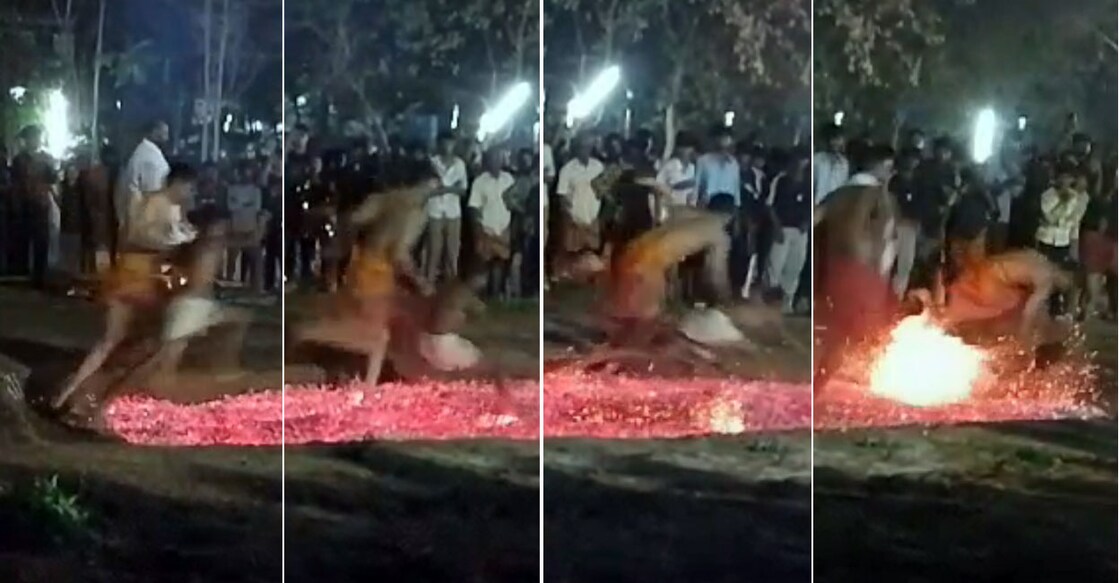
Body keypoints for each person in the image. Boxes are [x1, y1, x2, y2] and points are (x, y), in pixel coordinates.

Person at [54, 163, 200, 410]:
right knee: (139, 342)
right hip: (139, 279)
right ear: (179, 183)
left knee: (118, 342)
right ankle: (88, 396)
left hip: (138, 276)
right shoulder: (159, 205)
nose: (191, 194)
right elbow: (141, 236)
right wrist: (178, 242)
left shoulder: (161, 205)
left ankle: (72, 394)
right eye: (190, 188)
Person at [813, 145, 900, 390]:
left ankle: (821, 381)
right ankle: (836, 381)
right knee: (868, 328)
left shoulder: (838, 194)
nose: (891, 174)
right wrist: (878, 267)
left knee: (841, 329)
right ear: (879, 167)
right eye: (889, 168)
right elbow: (887, 235)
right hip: (865, 271)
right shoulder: (879, 195)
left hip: (837, 268)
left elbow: (814, 218)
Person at [765, 149, 811, 314]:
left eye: (804, 164)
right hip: (783, 230)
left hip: (800, 232)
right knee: (775, 266)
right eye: (798, 163)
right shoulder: (780, 180)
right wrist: (777, 227)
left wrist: (807, 223)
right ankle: (771, 302)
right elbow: (769, 205)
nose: (800, 167)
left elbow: (811, 206)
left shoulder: (808, 183)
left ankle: (787, 303)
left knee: (794, 267)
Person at [115, 120, 171, 249]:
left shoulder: (148, 153)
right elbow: (153, 192)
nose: (167, 138)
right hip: (146, 228)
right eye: (164, 133)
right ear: (154, 132)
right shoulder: (149, 158)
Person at [468, 148, 515, 298]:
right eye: (493, 159)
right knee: (483, 265)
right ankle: (481, 296)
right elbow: (474, 207)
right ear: (487, 161)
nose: (496, 162)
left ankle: (496, 295)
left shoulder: (509, 179)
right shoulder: (479, 182)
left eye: (498, 159)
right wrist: (478, 230)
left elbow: (515, 202)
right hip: (486, 228)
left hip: (504, 227)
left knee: (500, 263)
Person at [425, 132, 468, 283]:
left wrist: (445, 189)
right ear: (439, 144)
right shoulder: (432, 163)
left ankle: (450, 285)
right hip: (435, 211)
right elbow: (429, 190)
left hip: (453, 212)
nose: (447, 146)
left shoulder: (460, 164)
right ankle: (429, 283)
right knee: (434, 250)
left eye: (450, 143)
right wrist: (451, 188)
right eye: (444, 142)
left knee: (452, 251)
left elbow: (463, 190)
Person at [556, 134, 605, 254]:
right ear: (576, 148)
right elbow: (562, 196)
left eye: (588, 147)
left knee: (592, 256)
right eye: (582, 147)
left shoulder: (598, 166)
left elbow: (603, 191)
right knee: (573, 256)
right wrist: (569, 219)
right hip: (574, 222)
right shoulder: (567, 169)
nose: (585, 150)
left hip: (593, 220)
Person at [813, 124, 849, 205]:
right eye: (833, 139)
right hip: (818, 205)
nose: (835, 143)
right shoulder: (816, 160)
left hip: (836, 206)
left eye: (838, 139)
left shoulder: (844, 164)